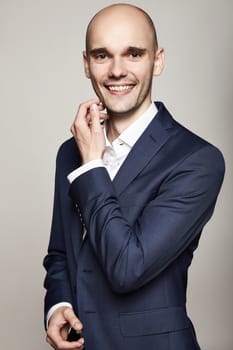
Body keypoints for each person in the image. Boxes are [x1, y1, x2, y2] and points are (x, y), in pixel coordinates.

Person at [43, 3, 225, 350]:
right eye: (102, 56)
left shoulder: (198, 160)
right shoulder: (70, 152)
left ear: (157, 60)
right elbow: (61, 254)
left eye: (133, 54)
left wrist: (92, 165)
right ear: (86, 64)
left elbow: (128, 266)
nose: (116, 70)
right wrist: (58, 305)